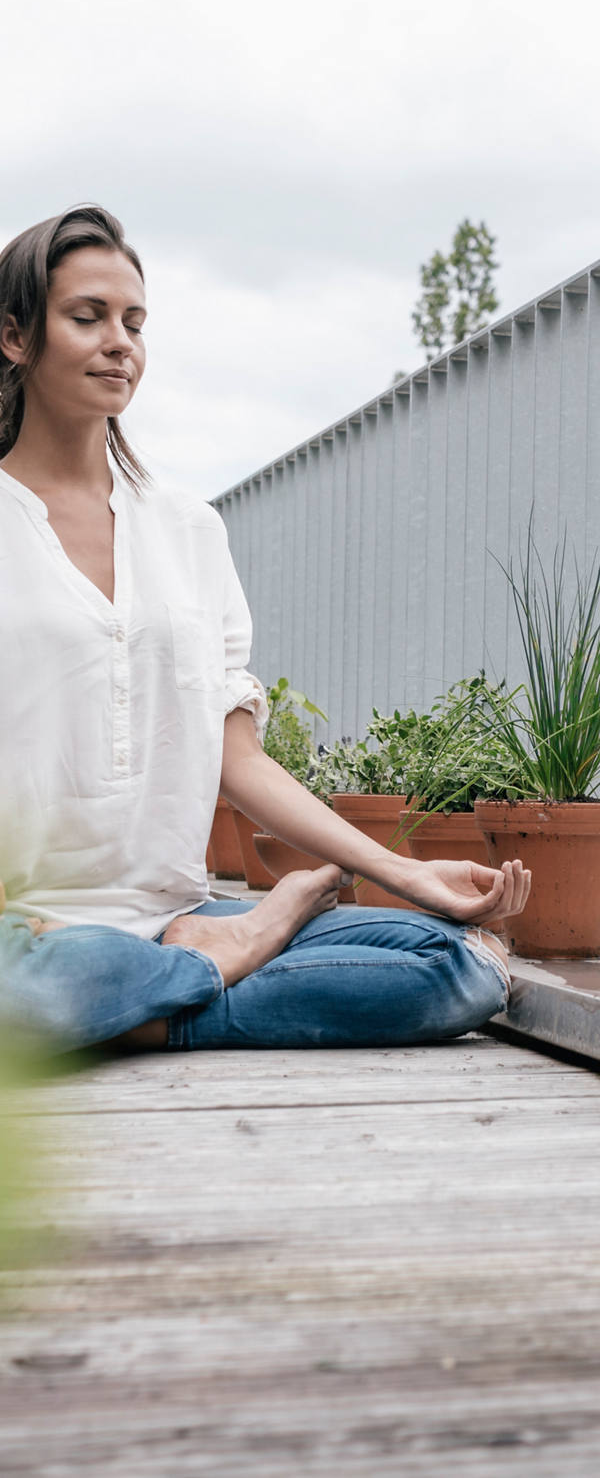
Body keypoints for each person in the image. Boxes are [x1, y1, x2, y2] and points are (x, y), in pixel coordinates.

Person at [0, 205, 529, 1056]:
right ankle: (228, 960)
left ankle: (152, 995)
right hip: (23, 932)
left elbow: (235, 759)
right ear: (16, 337)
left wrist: (406, 874)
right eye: (87, 317)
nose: (119, 342)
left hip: (177, 915)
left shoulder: (189, 529)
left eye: (134, 321)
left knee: (455, 963)